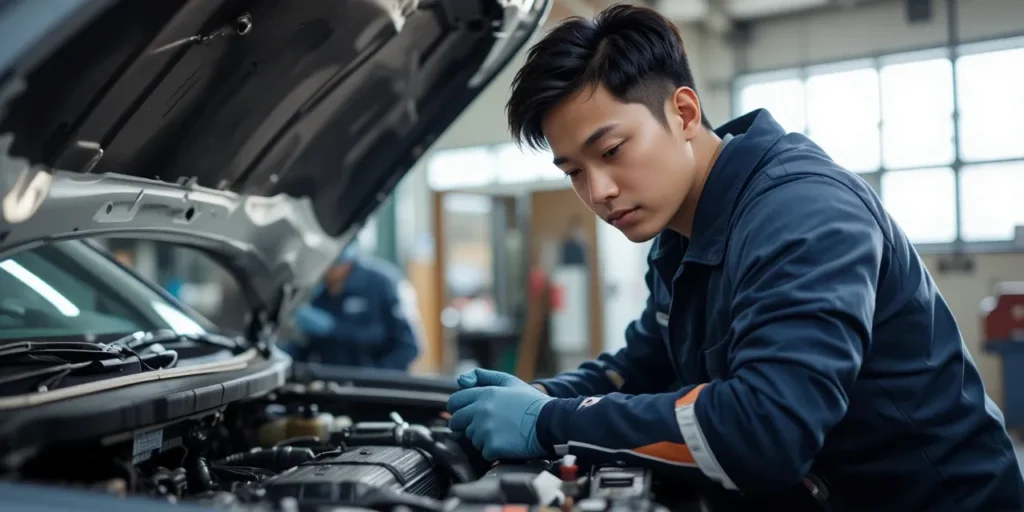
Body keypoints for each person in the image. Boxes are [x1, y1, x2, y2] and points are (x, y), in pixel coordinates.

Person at [444, 5, 1024, 511]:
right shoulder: (681, 234)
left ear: (684, 112)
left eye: (612, 150)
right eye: (574, 171)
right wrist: (540, 396)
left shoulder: (802, 212)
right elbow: (643, 363)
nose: (598, 191)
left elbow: (767, 428)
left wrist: (548, 424)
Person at [288, 242, 421, 371]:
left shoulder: (383, 283)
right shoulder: (319, 293)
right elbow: (307, 348)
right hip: (334, 381)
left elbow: (408, 347)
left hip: (377, 381)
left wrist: (334, 329)